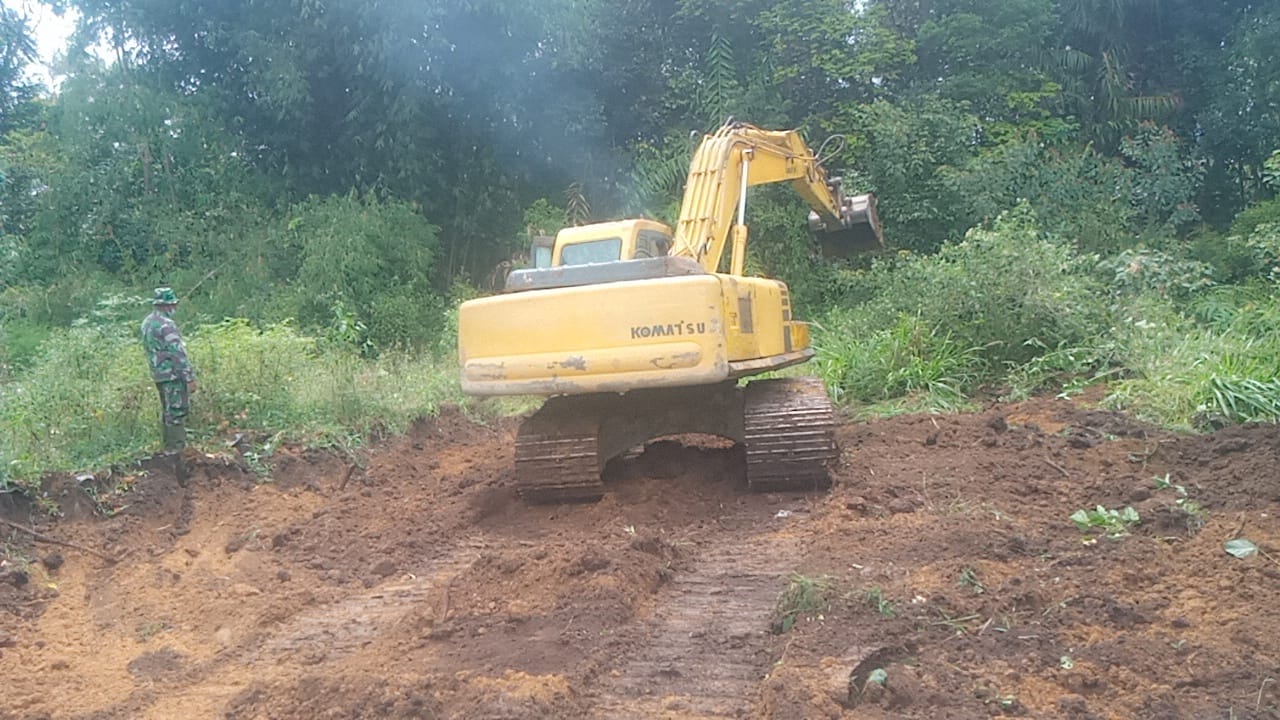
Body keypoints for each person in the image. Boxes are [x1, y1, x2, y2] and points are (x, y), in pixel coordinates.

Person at [140, 287, 196, 485]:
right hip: (173, 376)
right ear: (168, 304)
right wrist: (189, 377)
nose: (175, 307)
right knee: (177, 413)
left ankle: (167, 454)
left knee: (167, 413)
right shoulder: (167, 325)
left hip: (158, 375)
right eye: (173, 304)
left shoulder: (146, 323)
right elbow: (178, 353)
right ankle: (178, 458)